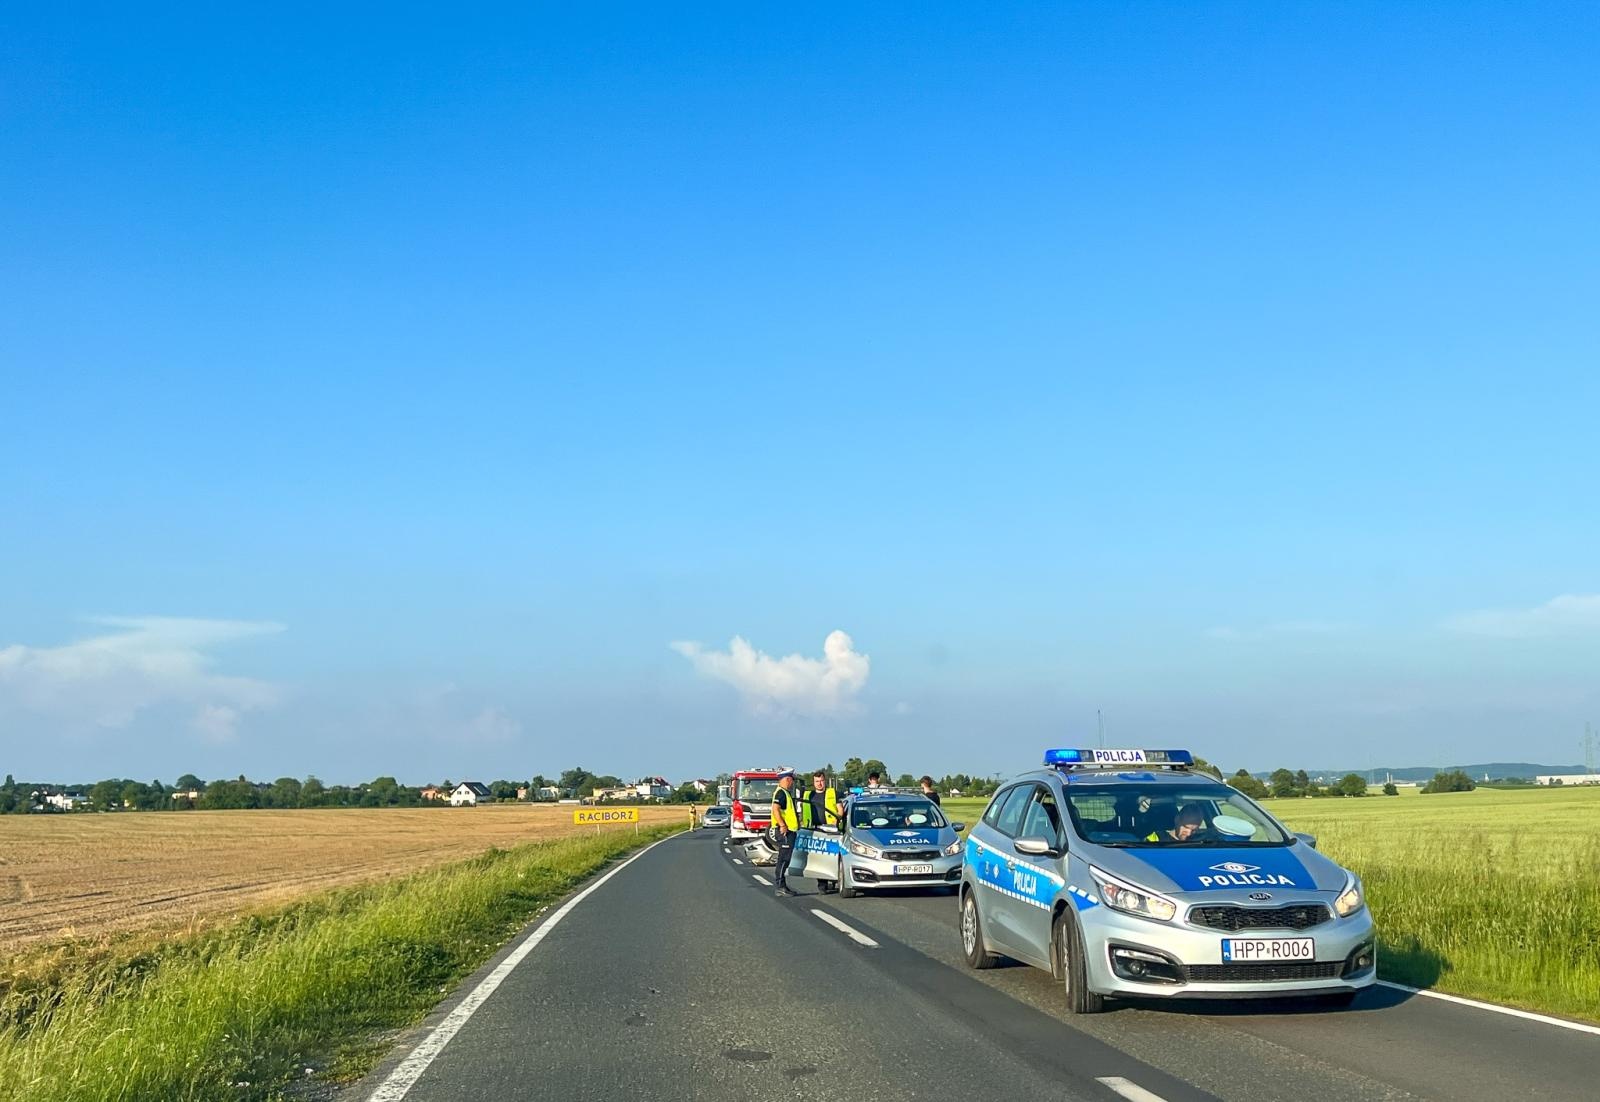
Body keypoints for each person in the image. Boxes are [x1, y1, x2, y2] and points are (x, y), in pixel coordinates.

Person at [802, 770, 842, 893]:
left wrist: (837, 820)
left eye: (821, 781)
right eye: (817, 781)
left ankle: (834, 879)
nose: (819, 784)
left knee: (833, 855)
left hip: (831, 828)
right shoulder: (808, 795)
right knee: (820, 857)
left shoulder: (832, 793)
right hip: (815, 828)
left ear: (825, 781)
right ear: (813, 783)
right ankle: (822, 884)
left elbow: (840, 809)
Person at [770, 769, 800, 896]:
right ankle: (780, 886)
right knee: (783, 859)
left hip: (788, 830)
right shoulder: (781, 793)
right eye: (792, 779)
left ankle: (782, 886)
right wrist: (782, 824)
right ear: (788, 779)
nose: (792, 782)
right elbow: (775, 809)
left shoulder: (784, 793)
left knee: (785, 859)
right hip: (785, 831)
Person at [1146, 803, 1210, 843]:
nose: (1189, 833)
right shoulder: (1157, 838)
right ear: (1177, 820)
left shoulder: (1202, 841)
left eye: (1194, 830)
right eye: (1186, 827)